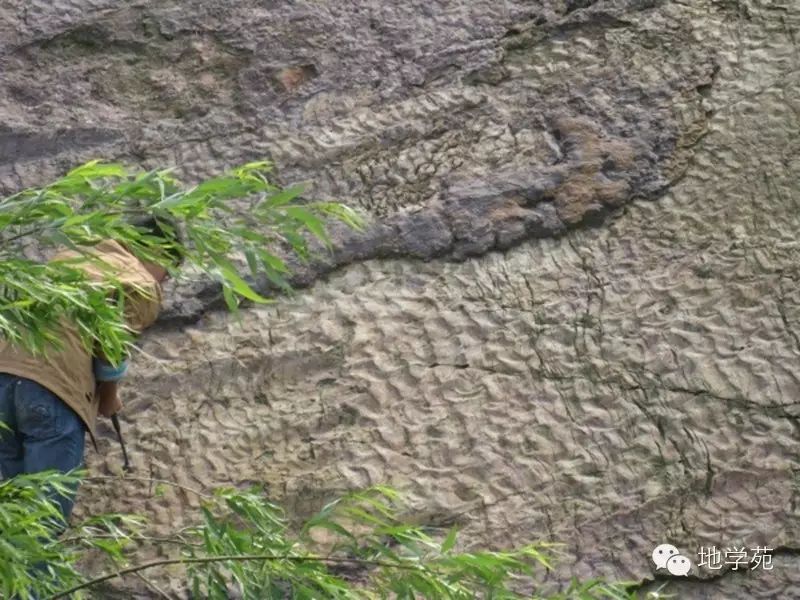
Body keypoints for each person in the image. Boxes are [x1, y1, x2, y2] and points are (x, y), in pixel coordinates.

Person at [0, 217, 179, 521]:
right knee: (42, 521)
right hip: (51, 389)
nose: (164, 282)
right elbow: (110, 344)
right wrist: (109, 395)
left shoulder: (72, 255)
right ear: (159, 252)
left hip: (3, 377)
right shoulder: (138, 281)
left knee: (15, 518)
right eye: (168, 272)